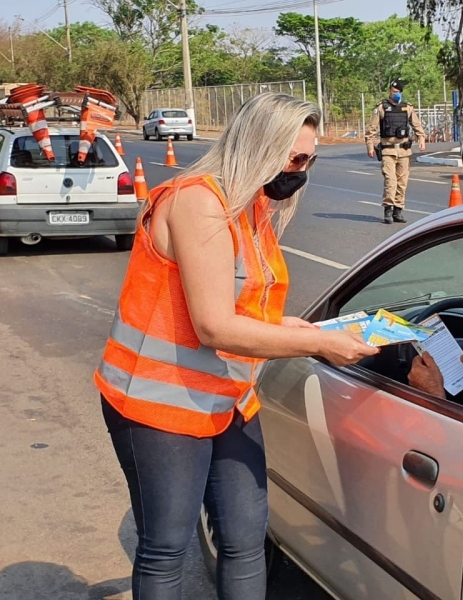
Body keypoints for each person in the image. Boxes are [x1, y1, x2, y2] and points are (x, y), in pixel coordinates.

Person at [93, 93, 378, 600]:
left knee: (246, 538)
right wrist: (315, 348)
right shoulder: (197, 202)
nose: (301, 171)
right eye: (294, 158)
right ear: (260, 146)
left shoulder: (250, 207)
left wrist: (306, 329)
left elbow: (245, 305)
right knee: (167, 549)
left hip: (228, 398)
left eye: (309, 160)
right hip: (160, 407)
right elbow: (216, 328)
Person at [365, 78, 427, 224]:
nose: (396, 94)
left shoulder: (408, 107)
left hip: (404, 152)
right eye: (393, 92)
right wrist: (369, 145)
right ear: (390, 92)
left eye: (398, 92)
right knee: (390, 181)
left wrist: (421, 138)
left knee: (402, 182)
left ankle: (398, 210)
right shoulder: (382, 108)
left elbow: (417, 125)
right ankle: (388, 209)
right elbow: (371, 129)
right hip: (388, 151)